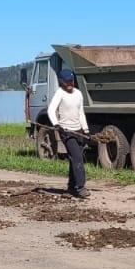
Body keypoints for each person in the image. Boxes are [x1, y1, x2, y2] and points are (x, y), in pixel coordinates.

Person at [46, 68, 91, 199]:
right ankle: (80, 187)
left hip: (78, 131)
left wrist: (86, 130)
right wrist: (56, 125)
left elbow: (81, 113)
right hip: (65, 131)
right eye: (67, 82)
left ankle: (71, 187)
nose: (70, 84)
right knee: (77, 157)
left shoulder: (78, 94)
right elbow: (50, 110)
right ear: (61, 82)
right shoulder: (59, 94)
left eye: (71, 81)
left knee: (73, 158)